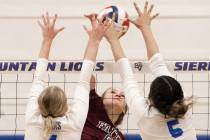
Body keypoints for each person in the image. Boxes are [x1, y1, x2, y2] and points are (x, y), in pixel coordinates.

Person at [105, 1, 197, 140]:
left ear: (151, 100)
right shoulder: (184, 109)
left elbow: (130, 74)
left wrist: (114, 39)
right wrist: (144, 27)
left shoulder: (145, 116)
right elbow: (156, 65)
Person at [24, 12, 109, 140]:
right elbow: (84, 81)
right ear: (66, 107)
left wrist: (47, 39)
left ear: (39, 104)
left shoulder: (32, 120)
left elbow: (38, 79)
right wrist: (95, 40)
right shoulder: (73, 123)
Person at [81, 14, 127, 140]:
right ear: (101, 99)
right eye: (113, 92)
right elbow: (86, 73)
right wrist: (94, 40)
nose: (118, 95)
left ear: (124, 110)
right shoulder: (93, 104)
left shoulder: (120, 137)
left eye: (122, 96)